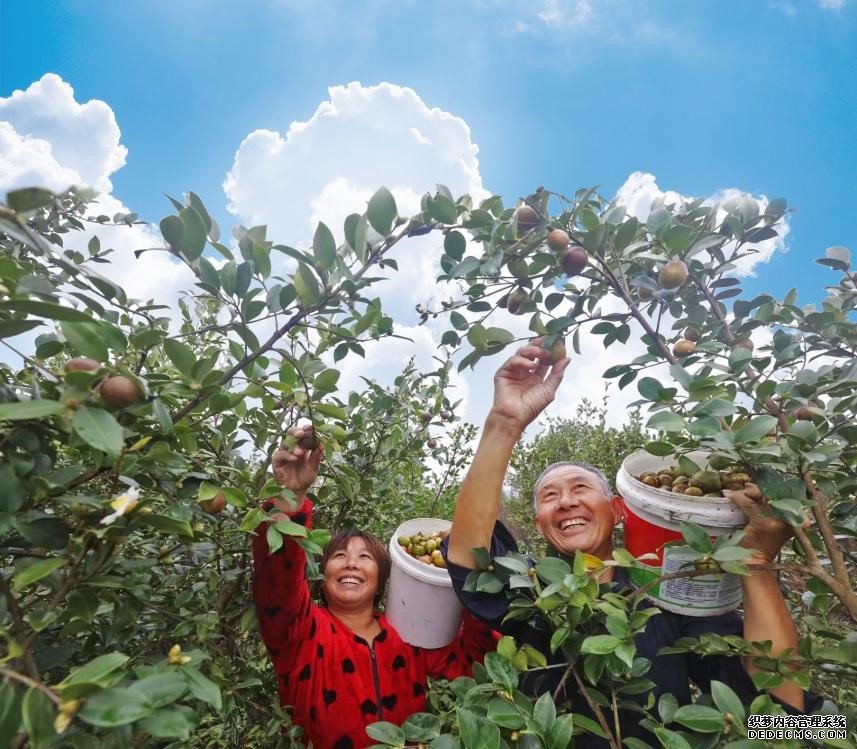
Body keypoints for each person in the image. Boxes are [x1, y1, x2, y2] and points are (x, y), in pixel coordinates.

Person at [442, 340, 819, 744]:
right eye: (550, 497)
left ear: (618, 510)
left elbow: (787, 714)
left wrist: (758, 562)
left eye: (580, 488)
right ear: (540, 525)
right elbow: (468, 557)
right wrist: (504, 422)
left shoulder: (666, 593)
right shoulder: (534, 595)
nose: (566, 501)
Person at [252, 426, 498, 749]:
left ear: (382, 578)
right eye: (339, 556)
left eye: (364, 557)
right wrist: (289, 498)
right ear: (323, 574)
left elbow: (474, 661)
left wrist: (471, 577)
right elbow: (277, 583)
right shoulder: (304, 631)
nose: (351, 563)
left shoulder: (407, 635)